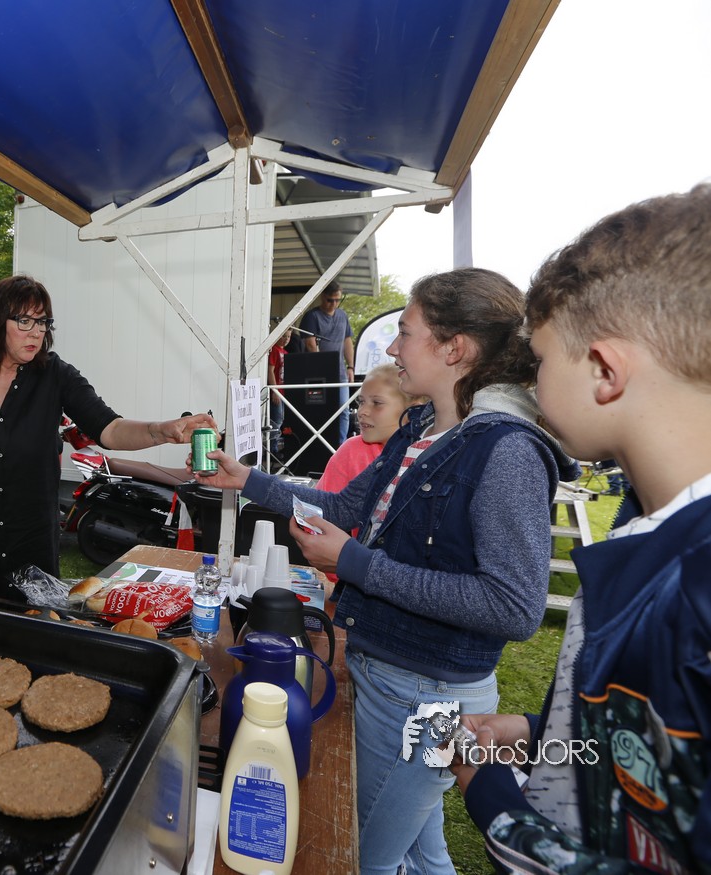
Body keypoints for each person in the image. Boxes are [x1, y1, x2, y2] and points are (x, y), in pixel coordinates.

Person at [198, 268, 578, 875]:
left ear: (454, 348)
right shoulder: (422, 432)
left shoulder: (505, 451)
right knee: (420, 849)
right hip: (386, 676)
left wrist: (355, 564)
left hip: (425, 695)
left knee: (362, 858)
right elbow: (344, 507)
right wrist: (248, 481)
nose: (393, 348)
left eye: (406, 332)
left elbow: (514, 607)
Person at [454, 185, 711, 872]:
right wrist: (542, 733)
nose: (533, 385)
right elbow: (660, 747)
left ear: (604, 369)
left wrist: (494, 801)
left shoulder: (694, 585)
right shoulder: (647, 533)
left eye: (540, 360)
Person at [0, 274, 217, 600]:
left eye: (43, 322)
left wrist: (162, 430)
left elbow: (110, 428)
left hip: (31, 544)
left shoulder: (55, 375)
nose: (36, 332)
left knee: (36, 626)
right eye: (25, 321)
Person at [316, 363, 424, 493]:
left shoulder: (429, 457)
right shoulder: (351, 451)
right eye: (361, 402)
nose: (362, 411)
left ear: (413, 410)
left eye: (377, 403)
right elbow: (324, 503)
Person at [299, 279, 355, 445]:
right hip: (319, 374)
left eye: (338, 300)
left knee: (343, 410)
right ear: (322, 297)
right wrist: (321, 367)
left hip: (340, 372)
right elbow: (310, 344)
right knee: (321, 411)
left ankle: (340, 446)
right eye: (330, 300)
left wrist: (351, 366)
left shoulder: (343, 315)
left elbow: (347, 341)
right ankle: (320, 446)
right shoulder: (312, 316)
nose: (334, 304)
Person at [266, 324, 293, 457]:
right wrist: (275, 390)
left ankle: (275, 447)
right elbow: (270, 370)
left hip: (283, 392)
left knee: (280, 420)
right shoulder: (275, 350)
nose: (286, 339)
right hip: (276, 392)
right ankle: (272, 450)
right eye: (283, 336)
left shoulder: (285, 353)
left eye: (288, 336)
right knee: (276, 420)